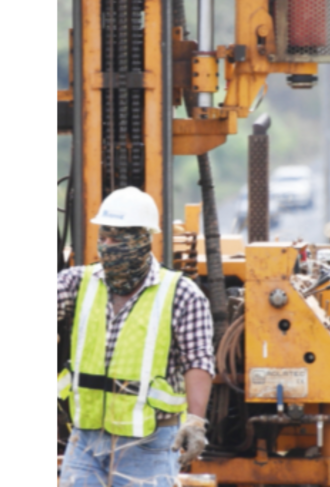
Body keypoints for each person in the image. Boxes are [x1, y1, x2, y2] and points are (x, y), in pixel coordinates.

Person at [55, 187, 214, 487]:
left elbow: (198, 361)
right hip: (86, 440)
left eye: (117, 240)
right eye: (103, 238)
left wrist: (195, 422)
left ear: (143, 240)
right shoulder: (81, 282)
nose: (107, 247)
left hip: (149, 443)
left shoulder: (180, 293)